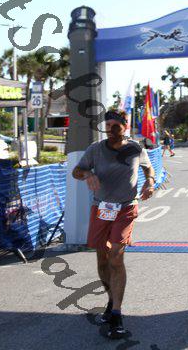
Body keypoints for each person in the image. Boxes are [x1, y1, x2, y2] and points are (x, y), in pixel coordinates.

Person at [72, 110, 155, 339]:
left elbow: (148, 167)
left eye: (114, 125)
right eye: (107, 125)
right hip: (101, 208)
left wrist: (149, 181)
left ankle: (117, 314)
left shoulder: (135, 148)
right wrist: (88, 174)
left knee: (116, 255)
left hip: (126, 207)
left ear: (124, 126)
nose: (109, 129)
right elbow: (76, 171)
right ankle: (111, 301)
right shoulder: (95, 149)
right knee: (102, 259)